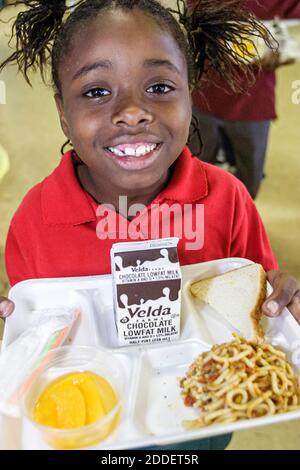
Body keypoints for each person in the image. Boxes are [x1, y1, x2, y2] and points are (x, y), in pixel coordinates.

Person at [0, 0, 299, 450]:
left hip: (203, 420)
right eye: (97, 92)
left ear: (190, 95)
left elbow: (260, 300)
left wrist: (283, 296)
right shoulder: (35, 218)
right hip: (85, 431)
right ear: (62, 112)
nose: (133, 111)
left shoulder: (229, 200)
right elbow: (34, 331)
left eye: (160, 86)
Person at [188, 0, 300, 198]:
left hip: (253, 103)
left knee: (248, 180)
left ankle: (237, 222)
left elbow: (294, 32)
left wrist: (283, 50)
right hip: (204, 95)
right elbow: (190, 17)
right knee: (196, 171)